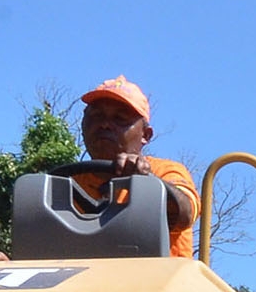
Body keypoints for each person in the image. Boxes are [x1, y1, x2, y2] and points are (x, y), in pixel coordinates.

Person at [79, 76, 202, 257]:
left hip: (157, 284)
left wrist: (148, 184)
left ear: (146, 135)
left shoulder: (166, 172)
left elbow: (184, 214)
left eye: (120, 119)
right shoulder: (64, 184)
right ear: (83, 124)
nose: (104, 124)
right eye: (96, 116)